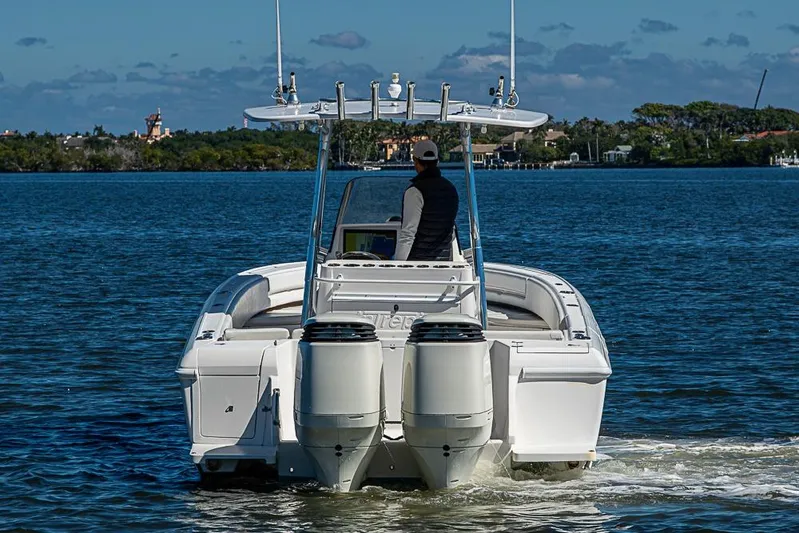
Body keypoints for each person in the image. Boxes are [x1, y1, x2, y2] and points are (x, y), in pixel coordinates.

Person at [394, 139, 459, 261]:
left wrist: (397, 266)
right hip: (443, 262)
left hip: (418, 264)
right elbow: (450, 229)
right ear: (437, 162)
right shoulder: (451, 189)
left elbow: (408, 234)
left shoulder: (415, 191)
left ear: (416, 161)